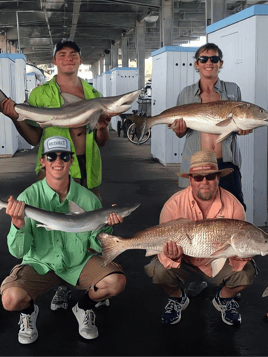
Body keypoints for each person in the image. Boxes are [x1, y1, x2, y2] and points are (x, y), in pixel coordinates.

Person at [1, 39, 111, 310]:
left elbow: (102, 140)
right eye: (62, 54)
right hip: (57, 167)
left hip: (88, 168)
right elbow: (34, 137)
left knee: (87, 228)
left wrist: (102, 126)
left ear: (80, 60)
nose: (68, 58)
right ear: (54, 61)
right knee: (51, 231)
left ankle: (85, 280)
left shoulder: (93, 93)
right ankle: (58, 285)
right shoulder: (41, 94)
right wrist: (15, 116)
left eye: (73, 54)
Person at [1, 136, 126, 344]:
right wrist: (18, 224)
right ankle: (29, 311)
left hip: (77, 263)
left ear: (72, 161)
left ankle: (84, 307)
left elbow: (96, 245)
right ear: (43, 161)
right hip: (40, 263)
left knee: (116, 282)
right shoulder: (28, 198)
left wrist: (105, 227)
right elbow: (17, 252)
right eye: (51, 156)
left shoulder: (88, 199)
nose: (57, 161)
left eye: (64, 156)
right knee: (10, 299)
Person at [145, 151, 257, 326]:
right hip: (184, 262)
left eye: (210, 177)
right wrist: (172, 256)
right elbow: (163, 243)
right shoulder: (173, 205)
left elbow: (240, 246)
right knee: (158, 271)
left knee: (247, 272)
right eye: (198, 178)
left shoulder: (234, 206)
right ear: (190, 180)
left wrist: (242, 254)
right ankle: (177, 298)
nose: (204, 182)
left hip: (218, 263)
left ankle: (224, 299)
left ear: (218, 178)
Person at [171, 43, 252, 211]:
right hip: (197, 163)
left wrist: (244, 129)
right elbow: (180, 134)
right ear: (196, 63)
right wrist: (178, 130)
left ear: (220, 63)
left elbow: (238, 124)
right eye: (203, 59)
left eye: (214, 59)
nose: (209, 63)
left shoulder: (233, 89)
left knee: (233, 210)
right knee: (196, 211)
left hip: (227, 162)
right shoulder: (186, 93)